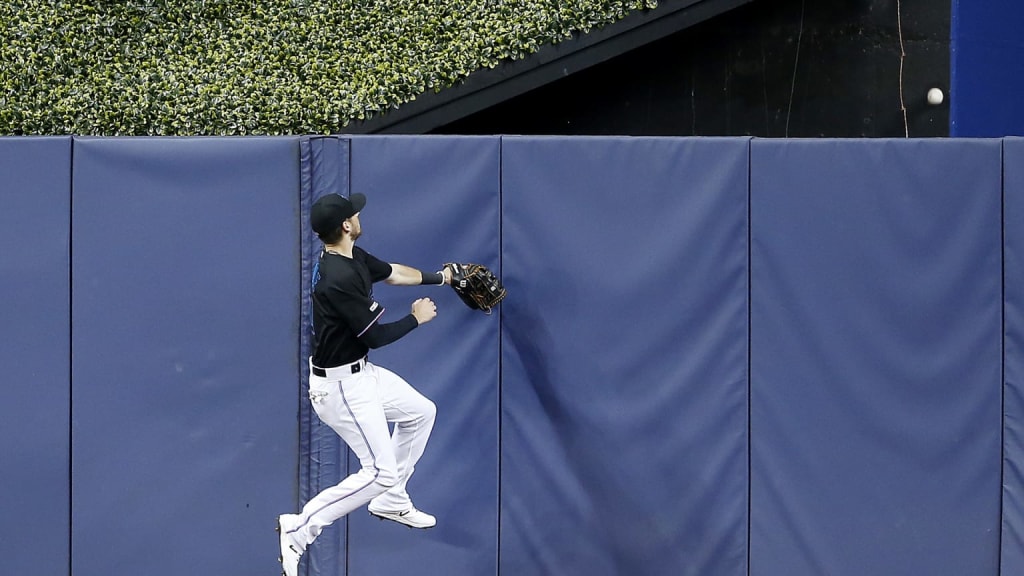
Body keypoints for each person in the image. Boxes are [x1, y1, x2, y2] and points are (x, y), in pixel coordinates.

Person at [278, 192, 451, 576]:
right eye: (353, 213)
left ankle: (391, 500)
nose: (358, 215)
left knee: (421, 413)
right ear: (346, 225)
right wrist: (416, 318)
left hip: (361, 374)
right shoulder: (337, 278)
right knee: (378, 471)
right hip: (340, 389)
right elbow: (374, 336)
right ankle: (299, 530)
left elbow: (393, 272)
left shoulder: (349, 256)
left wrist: (443, 278)